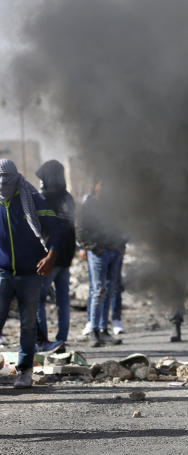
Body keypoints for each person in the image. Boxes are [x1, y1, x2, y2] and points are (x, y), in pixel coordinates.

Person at [0, 159, 64, 388]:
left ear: (16, 177)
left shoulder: (31, 198)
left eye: (6, 177)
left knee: (28, 324)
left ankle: (25, 370)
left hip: (30, 273)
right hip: (3, 272)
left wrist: (51, 257)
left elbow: (57, 229)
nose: (2, 182)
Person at [76, 178, 125, 347]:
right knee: (99, 290)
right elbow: (80, 230)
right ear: (95, 186)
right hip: (98, 253)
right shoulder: (88, 205)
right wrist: (92, 247)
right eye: (103, 184)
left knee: (110, 291)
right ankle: (94, 331)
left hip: (113, 252)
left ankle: (104, 330)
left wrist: (121, 245)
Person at [34, 160, 76, 354]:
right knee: (63, 302)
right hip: (66, 256)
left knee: (39, 300)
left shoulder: (44, 199)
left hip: (50, 257)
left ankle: (44, 342)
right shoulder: (69, 199)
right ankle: (61, 341)